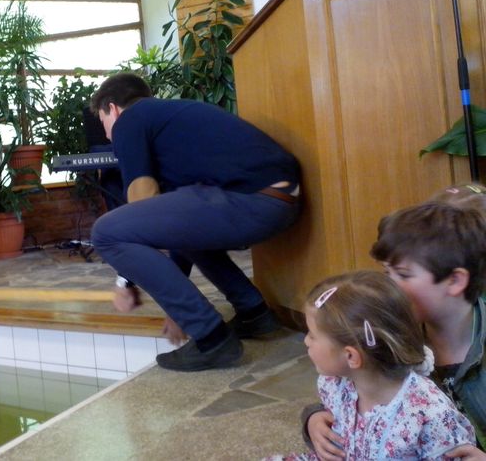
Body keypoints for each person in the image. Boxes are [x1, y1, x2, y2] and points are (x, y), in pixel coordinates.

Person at [89, 72, 301, 371]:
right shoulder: (171, 121)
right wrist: (178, 305)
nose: (108, 136)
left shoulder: (131, 119)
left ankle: (212, 339)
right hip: (281, 201)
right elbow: (174, 229)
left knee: (106, 232)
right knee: (182, 221)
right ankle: (254, 313)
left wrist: (127, 283)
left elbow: (142, 205)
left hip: (252, 200)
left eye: (103, 123)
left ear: (112, 108)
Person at [303, 199, 486, 459]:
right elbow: (358, 387)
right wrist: (314, 417)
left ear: (455, 280)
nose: (387, 285)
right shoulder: (386, 333)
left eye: (403, 274)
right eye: (386, 273)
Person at [268, 271, 475, 460]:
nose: (306, 341)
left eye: (313, 335)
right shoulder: (336, 383)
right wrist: (312, 420)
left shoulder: (429, 414)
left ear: (351, 356)